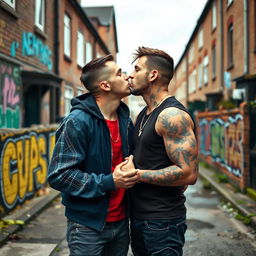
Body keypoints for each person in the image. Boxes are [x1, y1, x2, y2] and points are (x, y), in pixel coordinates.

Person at [47, 54, 139, 256]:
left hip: (122, 222)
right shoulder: (77, 121)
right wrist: (110, 181)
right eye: (119, 73)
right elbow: (59, 175)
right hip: (87, 226)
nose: (127, 77)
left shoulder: (125, 119)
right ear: (105, 85)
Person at [123, 46, 199, 256]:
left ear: (153, 75)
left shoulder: (171, 115)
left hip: (163, 223)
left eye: (137, 69)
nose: (130, 75)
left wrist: (136, 175)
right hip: (139, 217)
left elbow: (188, 173)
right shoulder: (143, 115)